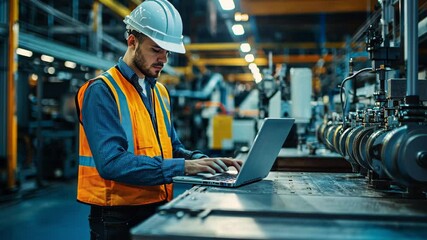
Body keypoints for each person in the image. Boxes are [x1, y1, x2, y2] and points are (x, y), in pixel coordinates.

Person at [75, 0, 242, 239]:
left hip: (157, 206)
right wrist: (184, 167)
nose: (163, 59)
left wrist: (203, 161)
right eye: (156, 49)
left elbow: (171, 148)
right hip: (116, 217)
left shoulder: (159, 92)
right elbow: (111, 162)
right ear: (132, 42)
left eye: (167, 52)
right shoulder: (102, 91)